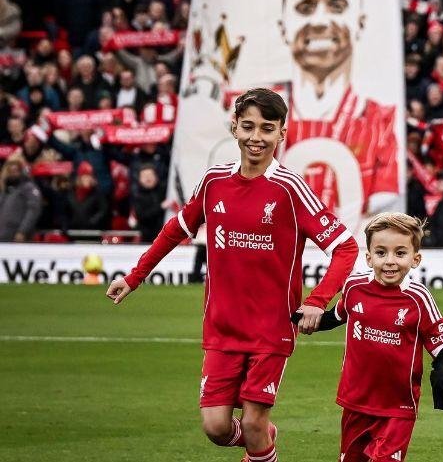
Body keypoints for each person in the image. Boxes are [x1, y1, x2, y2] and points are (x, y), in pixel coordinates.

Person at [105, 89, 359, 462]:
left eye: (267, 129)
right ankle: (263, 438)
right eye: (249, 126)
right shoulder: (214, 181)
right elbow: (176, 229)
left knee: (254, 423)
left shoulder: (290, 188)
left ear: (281, 134)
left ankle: (260, 439)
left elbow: (345, 247)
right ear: (234, 128)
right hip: (222, 327)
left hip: (271, 328)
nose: (257, 137)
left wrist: (317, 301)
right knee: (216, 427)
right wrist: (134, 277)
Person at [294, 212, 443, 461]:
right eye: (381, 253)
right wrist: (300, 318)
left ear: (415, 259)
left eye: (400, 253)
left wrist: (442, 374)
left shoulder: (418, 298)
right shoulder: (354, 287)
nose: (390, 261)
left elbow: (442, 343)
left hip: (398, 406)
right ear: (369, 257)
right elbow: (336, 317)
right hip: (355, 401)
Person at [279, 0, 400, 217]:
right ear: (283, 26)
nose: (320, 21)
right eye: (305, 7)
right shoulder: (253, 115)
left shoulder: (380, 124)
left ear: (360, 22)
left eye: (336, 5)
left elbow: (383, 203)